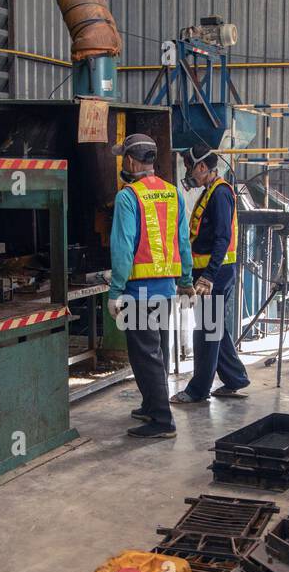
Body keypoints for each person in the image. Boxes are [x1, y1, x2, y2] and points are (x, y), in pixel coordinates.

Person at [107, 133, 193, 438]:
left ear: (131, 160)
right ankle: (150, 404)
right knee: (157, 351)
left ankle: (162, 420)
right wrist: (186, 282)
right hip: (166, 290)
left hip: (138, 292)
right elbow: (183, 242)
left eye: (122, 158)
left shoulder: (128, 196)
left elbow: (123, 247)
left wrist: (115, 291)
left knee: (145, 355)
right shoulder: (173, 193)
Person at [169, 144, 251, 404]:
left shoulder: (220, 194)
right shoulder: (210, 192)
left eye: (190, 167)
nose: (188, 172)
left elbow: (223, 239)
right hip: (210, 272)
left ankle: (198, 390)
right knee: (215, 328)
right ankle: (235, 378)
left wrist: (208, 276)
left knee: (205, 331)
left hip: (215, 274)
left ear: (203, 167)